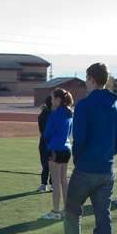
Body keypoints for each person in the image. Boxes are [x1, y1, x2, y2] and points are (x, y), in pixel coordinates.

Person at [57, 63, 117, 234]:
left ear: (91, 79)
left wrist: (80, 158)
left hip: (86, 169)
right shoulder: (116, 106)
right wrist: (106, 155)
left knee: (72, 214)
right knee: (103, 221)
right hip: (107, 171)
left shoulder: (85, 105)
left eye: (86, 78)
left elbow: (80, 138)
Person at [41, 89, 73, 220]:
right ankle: (66, 210)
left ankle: (55, 212)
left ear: (58, 100)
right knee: (64, 180)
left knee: (55, 182)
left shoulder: (55, 115)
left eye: (53, 98)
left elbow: (47, 133)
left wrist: (49, 141)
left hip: (55, 149)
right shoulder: (69, 113)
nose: (51, 100)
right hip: (66, 149)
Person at [36, 95, 53, 192]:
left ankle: (50, 184)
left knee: (51, 163)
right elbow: (43, 129)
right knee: (46, 163)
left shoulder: (54, 113)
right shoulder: (45, 114)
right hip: (47, 141)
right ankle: (45, 183)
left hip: (49, 141)